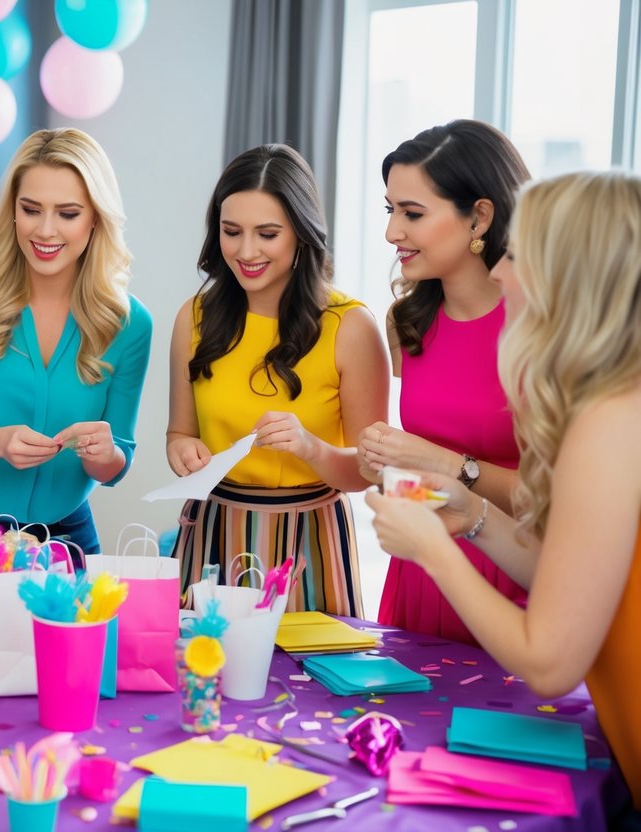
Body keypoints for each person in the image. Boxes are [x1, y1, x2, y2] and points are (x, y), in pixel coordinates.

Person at [367, 170, 641, 812]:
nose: (498, 273)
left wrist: (431, 547)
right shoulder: (611, 406)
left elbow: (548, 663)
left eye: (518, 254)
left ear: (567, 276)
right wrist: (473, 516)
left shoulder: (609, 424)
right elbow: (581, 578)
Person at [0, 128, 153, 588]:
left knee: (70, 662)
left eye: (68, 213)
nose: (45, 230)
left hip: (64, 543)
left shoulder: (131, 323)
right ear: (12, 211)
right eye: (30, 209)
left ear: (96, 218)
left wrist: (104, 453)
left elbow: (120, 461)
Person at [167, 144, 389, 615]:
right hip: (212, 533)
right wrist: (183, 452)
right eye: (231, 232)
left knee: (311, 681)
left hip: (309, 540)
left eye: (267, 234)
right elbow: (179, 434)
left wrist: (312, 448)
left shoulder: (351, 327)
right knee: (203, 677)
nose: (246, 252)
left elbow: (371, 470)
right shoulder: (194, 317)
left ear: (302, 235)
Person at [357, 121, 531, 644]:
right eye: (391, 211)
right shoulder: (405, 323)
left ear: (479, 216)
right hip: (420, 576)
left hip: (516, 577)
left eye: (412, 213)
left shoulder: (541, 333)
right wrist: (381, 462)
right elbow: (413, 469)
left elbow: (561, 503)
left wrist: (452, 467)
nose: (392, 233)